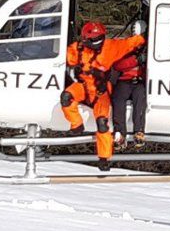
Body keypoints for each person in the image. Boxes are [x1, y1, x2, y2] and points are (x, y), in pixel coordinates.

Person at [59, 21, 145, 169]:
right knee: (66, 97)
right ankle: (77, 125)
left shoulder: (111, 47)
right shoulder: (76, 49)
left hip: (100, 91)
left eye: (100, 38)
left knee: (102, 123)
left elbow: (129, 43)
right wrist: (72, 69)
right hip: (83, 86)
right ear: (85, 39)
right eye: (94, 39)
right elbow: (61, 57)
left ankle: (104, 158)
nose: (97, 42)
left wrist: (144, 37)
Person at [109, 20, 147, 148]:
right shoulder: (126, 47)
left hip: (140, 82)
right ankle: (119, 132)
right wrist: (136, 60)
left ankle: (139, 130)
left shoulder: (150, 49)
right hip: (124, 80)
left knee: (140, 98)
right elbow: (118, 64)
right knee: (118, 99)